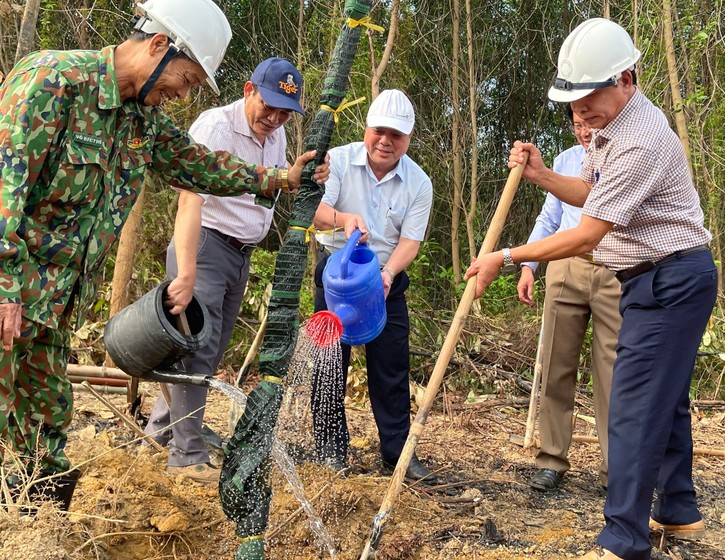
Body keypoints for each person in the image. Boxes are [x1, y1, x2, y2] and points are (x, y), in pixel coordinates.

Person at [0, 0, 320, 508]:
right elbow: (4, 188)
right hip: (12, 295)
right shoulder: (52, 81)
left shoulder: (140, 122)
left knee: (46, 418)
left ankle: (36, 517)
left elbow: (201, 167)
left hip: (54, 305)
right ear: (157, 46)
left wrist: (280, 178)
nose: (183, 94)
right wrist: (5, 289)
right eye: (187, 79)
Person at [466, 18, 717, 560]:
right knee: (665, 400)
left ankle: (623, 538)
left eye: (588, 99)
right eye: (572, 104)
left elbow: (587, 232)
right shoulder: (614, 127)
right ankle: (678, 512)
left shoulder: (641, 139)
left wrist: (506, 256)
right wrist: (541, 176)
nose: (579, 115)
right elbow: (589, 194)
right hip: (654, 276)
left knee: (633, 407)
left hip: (671, 278)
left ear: (627, 78)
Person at [143, 57, 329, 483]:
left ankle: (159, 434)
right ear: (249, 90)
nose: (275, 118)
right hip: (205, 245)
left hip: (239, 254)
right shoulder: (216, 127)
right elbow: (189, 197)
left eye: (285, 111)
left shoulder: (277, 135)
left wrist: (309, 180)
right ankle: (187, 457)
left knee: (201, 350)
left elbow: (275, 191)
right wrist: (186, 270)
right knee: (196, 350)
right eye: (269, 105)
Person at [311, 90, 436, 482]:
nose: (385, 141)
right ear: (366, 129)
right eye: (379, 131)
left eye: (396, 135)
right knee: (330, 364)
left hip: (385, 281)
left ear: (408, 139)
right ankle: (331, 448)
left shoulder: (418, 182)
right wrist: (344, 219)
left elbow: (410, 242)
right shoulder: (340, 162)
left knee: (391, 367)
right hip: (337, 276)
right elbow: (316, 213)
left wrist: (387, 275)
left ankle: (396, 453)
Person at [519, 106, 621, 492]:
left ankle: (617, 469)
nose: (583, 131)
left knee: (612, 373)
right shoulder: (564, 161)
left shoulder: (625, 155)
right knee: (555, 363)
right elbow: (548, 219)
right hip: (565, 266)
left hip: (616, 268)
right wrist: (528, 264)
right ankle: (551, 459)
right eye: (576, 124)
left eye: (588, 123)